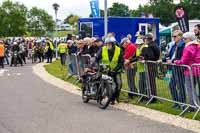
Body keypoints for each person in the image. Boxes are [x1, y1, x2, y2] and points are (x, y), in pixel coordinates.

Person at [174, 32, 200, 110]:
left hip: (190, 70)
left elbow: (183, 61)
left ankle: (194, 106)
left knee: (190, 89)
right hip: (197, 69)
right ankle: (195, 105)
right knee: (195, 88)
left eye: (185, 39)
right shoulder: (198, 46)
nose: (184, 40)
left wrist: (176, 62)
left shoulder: (188, 48)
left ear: (190, 39)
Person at [96, 36, 123, 105]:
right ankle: (100, 95)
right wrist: (98, 64)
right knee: (99, 80)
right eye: (107, 44)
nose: (108, 45)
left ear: (113, 44)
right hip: (105, 70)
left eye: (110, 44)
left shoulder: (119, 50)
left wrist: (115, 69)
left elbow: (121, 62)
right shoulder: (102, 49)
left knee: (119, 84)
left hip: (115, 70)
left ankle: (115, 97)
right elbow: (97, 58)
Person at [163, 30, 186, 109]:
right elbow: (168, 55)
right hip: (172, 68)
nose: (173, 38)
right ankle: (176, 102)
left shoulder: (183, 45)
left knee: (180, 86)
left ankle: (182, 104)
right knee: (171, 85)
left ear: (180, 36)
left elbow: (182, 57)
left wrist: (172, 61)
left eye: (175, 36)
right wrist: (163, 60)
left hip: (179, 68)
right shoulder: (173, 45)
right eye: (173, 36)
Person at [143, 33, 160, 101]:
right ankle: (152, 96)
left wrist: (145, 60)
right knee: (152, 82)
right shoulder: (155, 44)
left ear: (147, 39)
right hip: (154, 65)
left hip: (151, 65)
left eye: (145, 39)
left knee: (151, 82)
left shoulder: (150, 46)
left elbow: (151, 57)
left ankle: (153, 97)